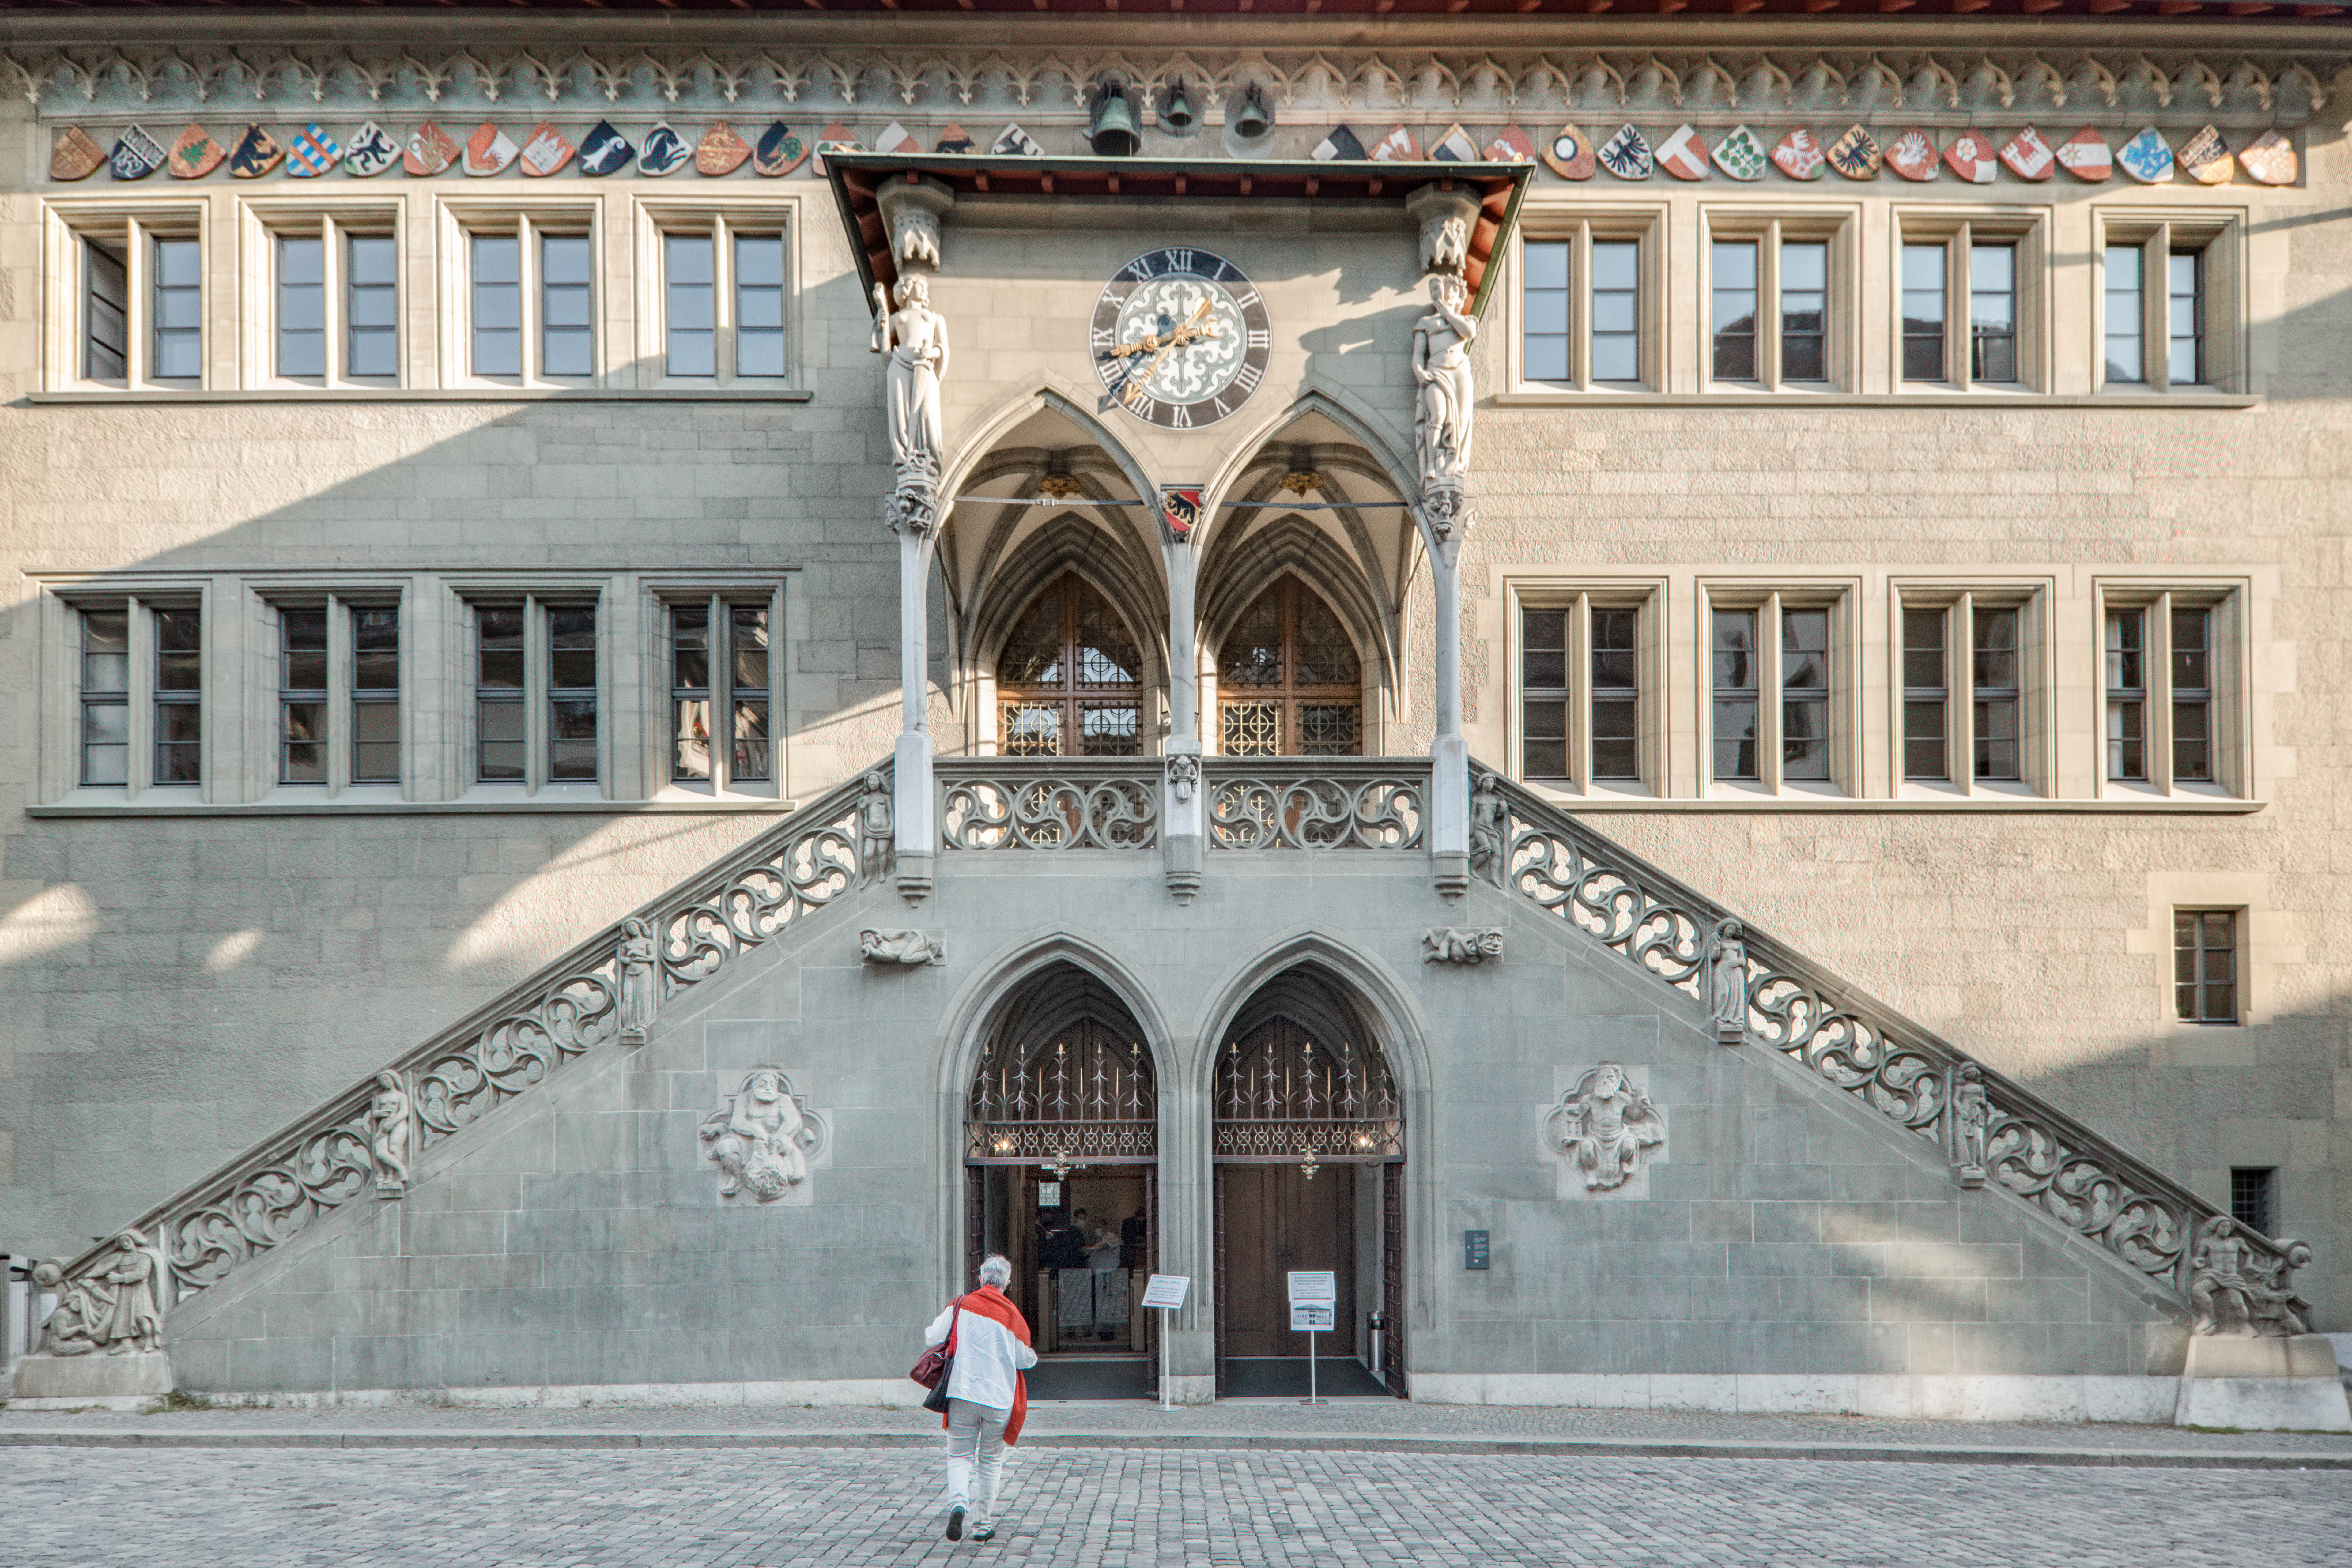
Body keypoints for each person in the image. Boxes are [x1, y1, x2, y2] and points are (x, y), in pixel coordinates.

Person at [922, 1254, 1038, 1543]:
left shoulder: (961, 1306)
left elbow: (932, 1337)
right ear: (1006, 1284)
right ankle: (983, 1525)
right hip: (998, 1398)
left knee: (959, 1456)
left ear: (980, 1278)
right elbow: (1024, 1360)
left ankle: (958, 1504)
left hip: (962, 1392)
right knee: (990, 1461)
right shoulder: (1012, 1315)